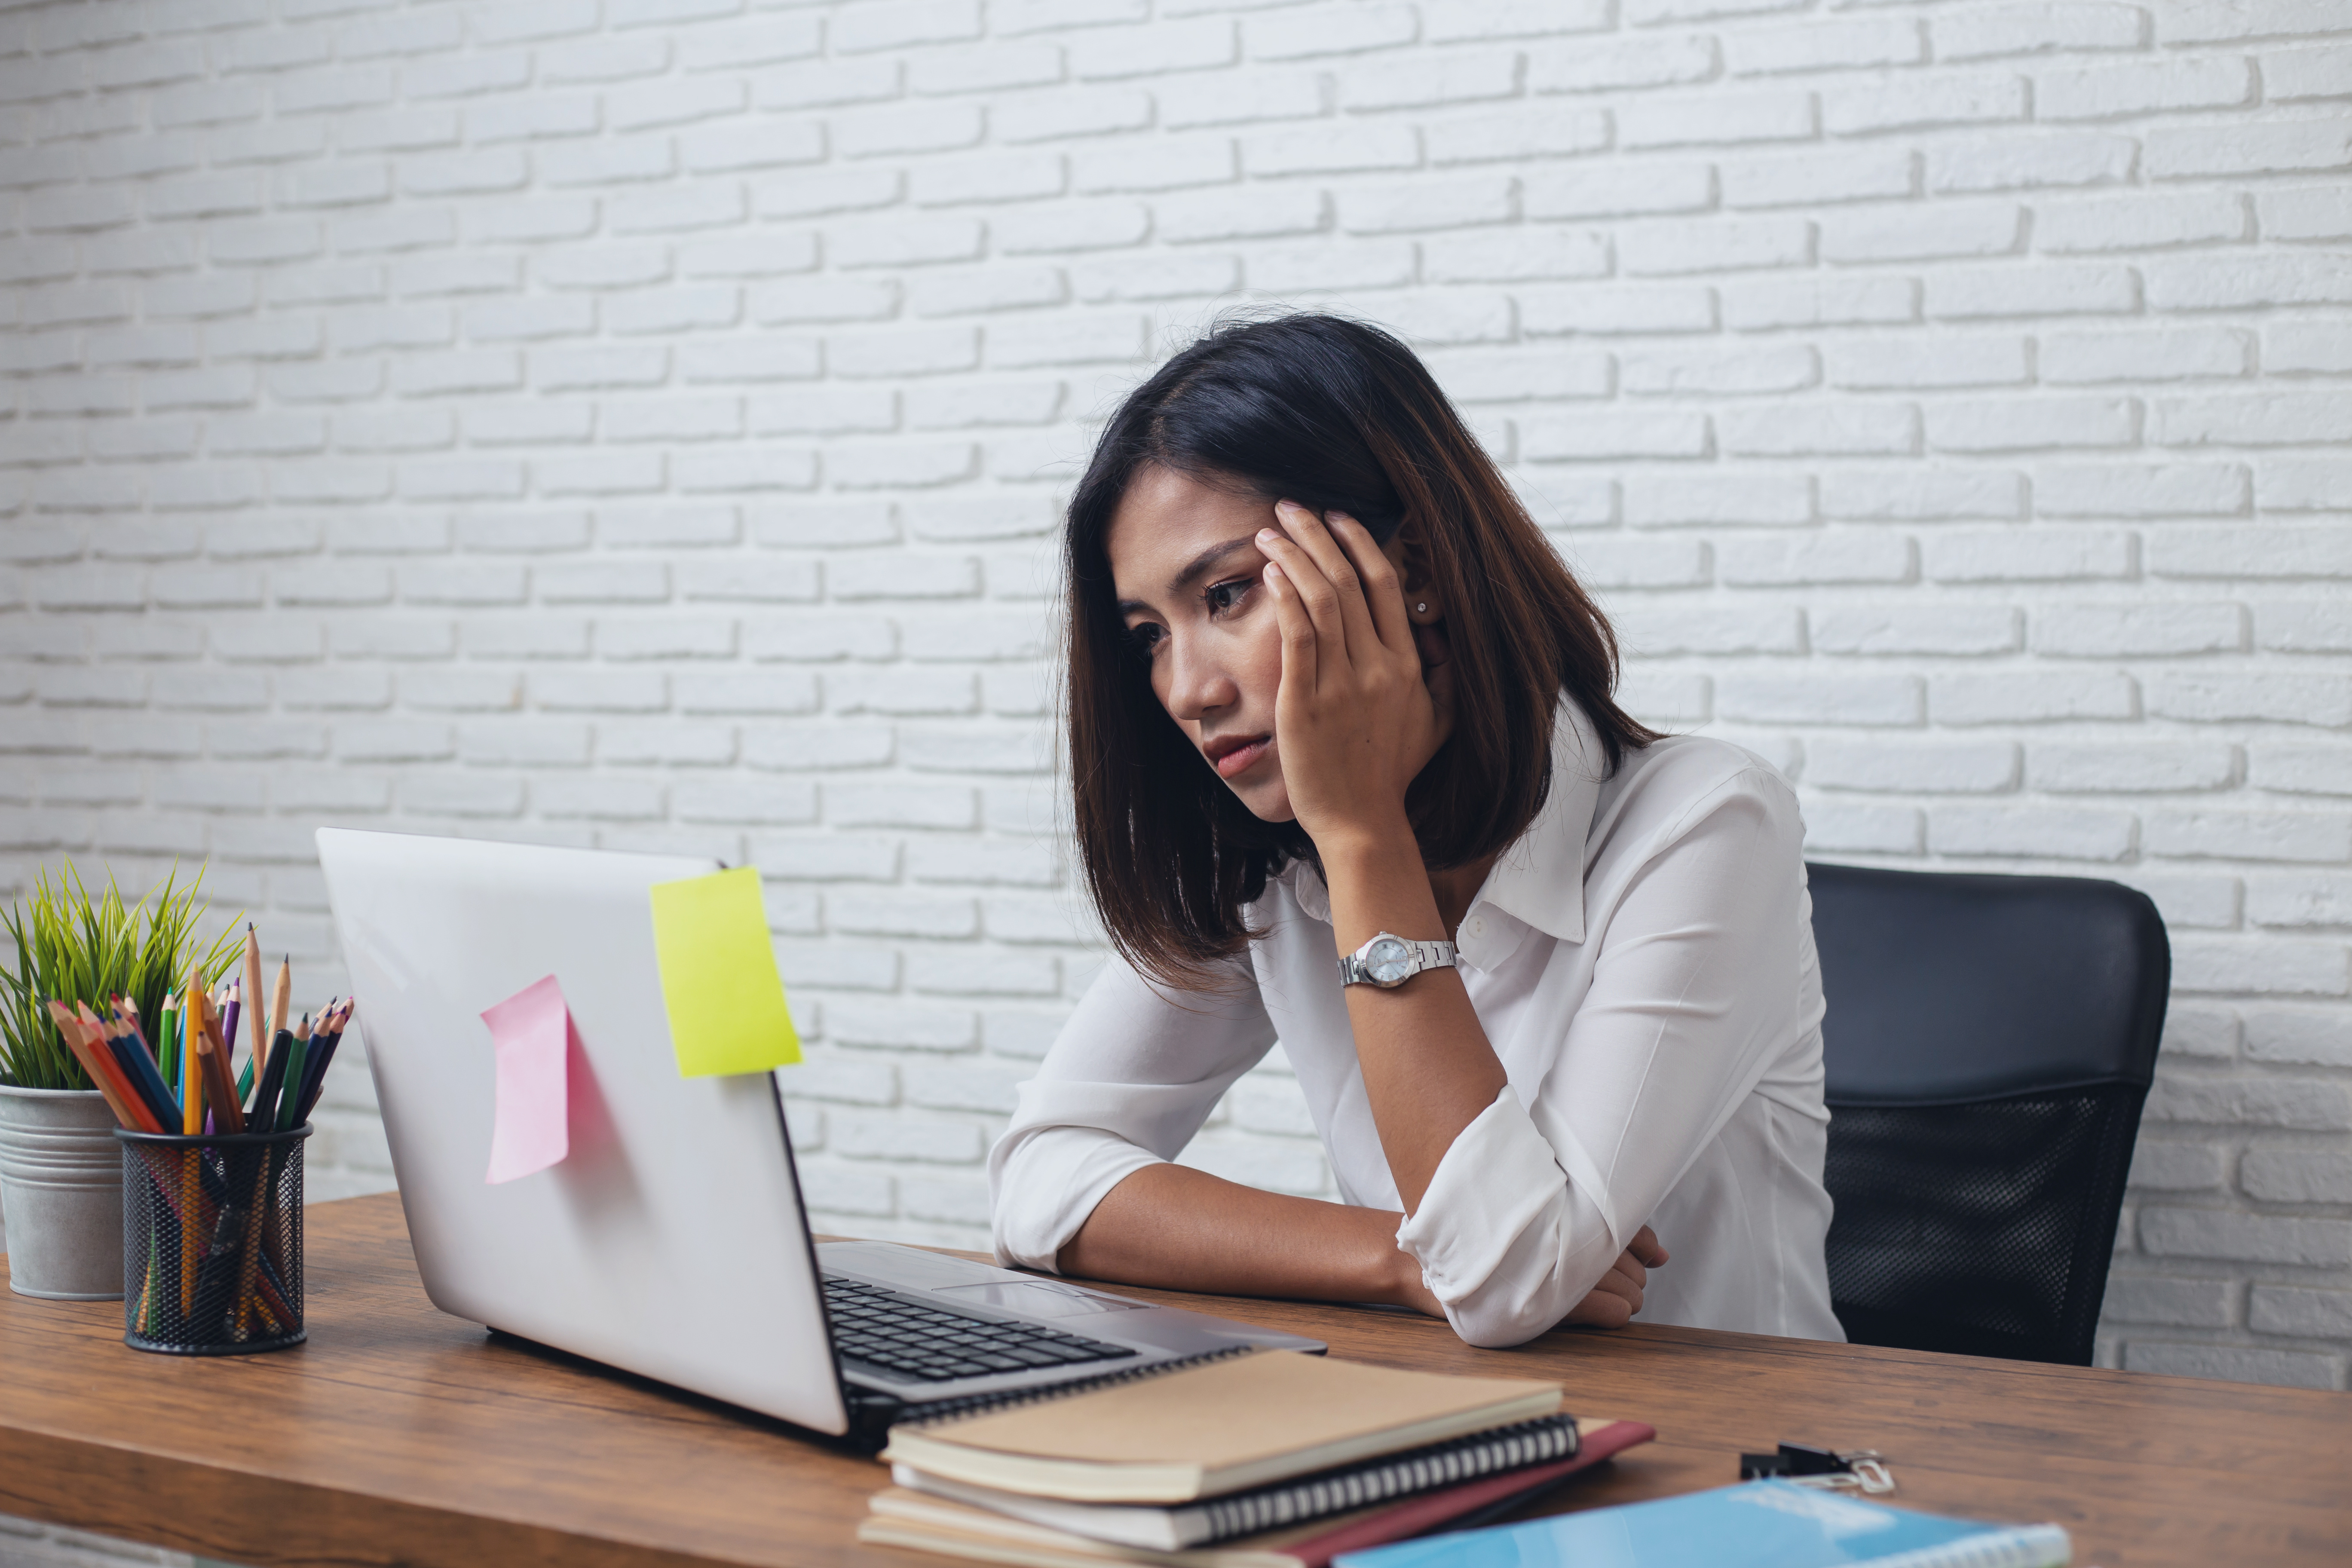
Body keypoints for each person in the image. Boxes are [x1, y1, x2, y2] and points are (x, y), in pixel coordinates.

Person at [987, 313, 1841, 1348]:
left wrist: (1361, 836)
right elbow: (1041, 1180)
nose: (1186, 689)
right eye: (1148, 638)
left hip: (1731, 1468)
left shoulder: (1707, 824)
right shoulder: (1271, 867)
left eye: (1226, 594)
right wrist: (1393, 1255)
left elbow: (1505, 1281)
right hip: (1453, 1442)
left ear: (1416, 567)